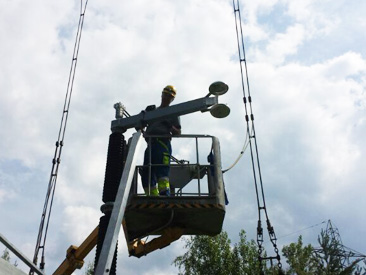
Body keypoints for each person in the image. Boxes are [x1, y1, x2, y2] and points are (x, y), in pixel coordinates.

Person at [141, 85, 181, 196]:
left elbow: (178, 133)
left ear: (172, 99)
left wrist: (170, 127)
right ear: (162, 95)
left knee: (162, 172)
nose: (167, 97)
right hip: (151, 144)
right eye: (166, 95)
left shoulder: (173, 113)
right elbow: (140, 126)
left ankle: (164, 196)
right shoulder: (153, 111)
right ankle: (151, 196)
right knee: (147, 173)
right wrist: (142, 118)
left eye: (169, 96)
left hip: (162, 144)